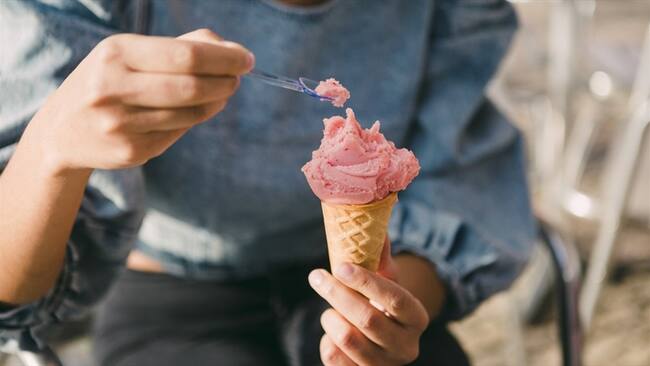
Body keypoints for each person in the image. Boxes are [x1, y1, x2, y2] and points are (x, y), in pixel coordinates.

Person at [0, 0, 537, 365]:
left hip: (379, 284)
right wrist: (50, 148)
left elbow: (458, 183)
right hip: (168, 294)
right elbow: (10, 295)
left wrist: (379, 320)